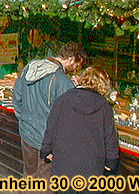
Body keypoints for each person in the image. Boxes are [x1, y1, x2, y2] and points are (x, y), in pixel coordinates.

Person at [13, 42, 88, 192]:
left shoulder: (30, 67)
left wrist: (24, 120)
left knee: (29, 176)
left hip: (27, 133)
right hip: (48, 141)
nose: (75, 70)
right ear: (72, 59)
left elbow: (17, 96)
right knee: (47, 183)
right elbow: (70, 117)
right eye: (77, 66)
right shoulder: (62, 81)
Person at [40, 66, 119, 188]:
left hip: (64, 165)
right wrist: (111, 162)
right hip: (92, 169)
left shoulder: (63, 99)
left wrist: (46, 150)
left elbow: (51, 128)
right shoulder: (104, 106)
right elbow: (110, 137)